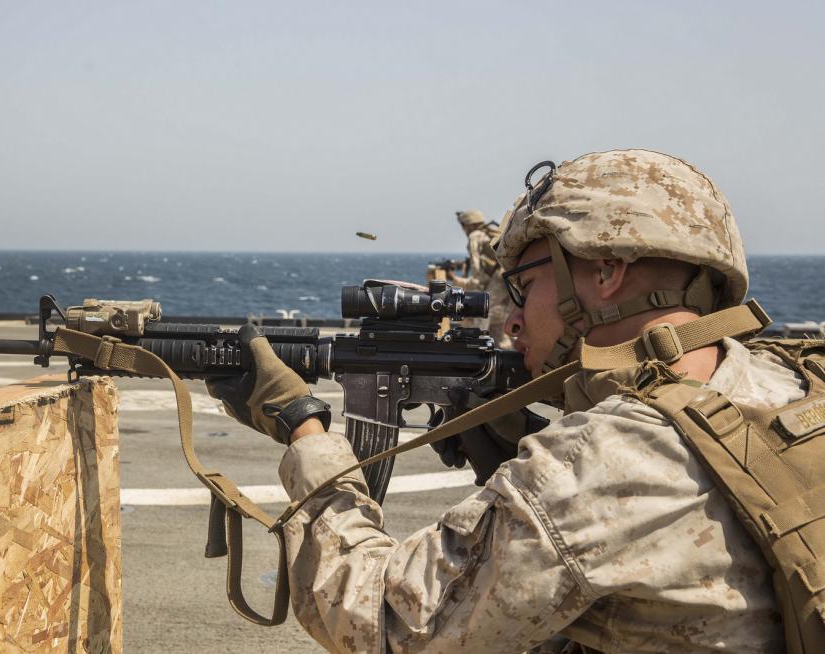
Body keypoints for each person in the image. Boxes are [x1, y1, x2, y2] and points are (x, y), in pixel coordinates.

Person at [208, 150, 809, 652]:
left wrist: (303, 429)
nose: (515, 318)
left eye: (526, 284)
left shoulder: (606, 457)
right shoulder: (789, 382)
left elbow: (385, 623)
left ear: (605, 272)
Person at [450, 209, 513, 347]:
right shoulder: (489, 234)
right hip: (510, 278)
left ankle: (476, 348)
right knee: (499, 320)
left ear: (467, 225)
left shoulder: (475, 235)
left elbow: (476, 265)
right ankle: (504, 349)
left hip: (499, 278)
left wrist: (472, 283)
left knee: (482, 311)